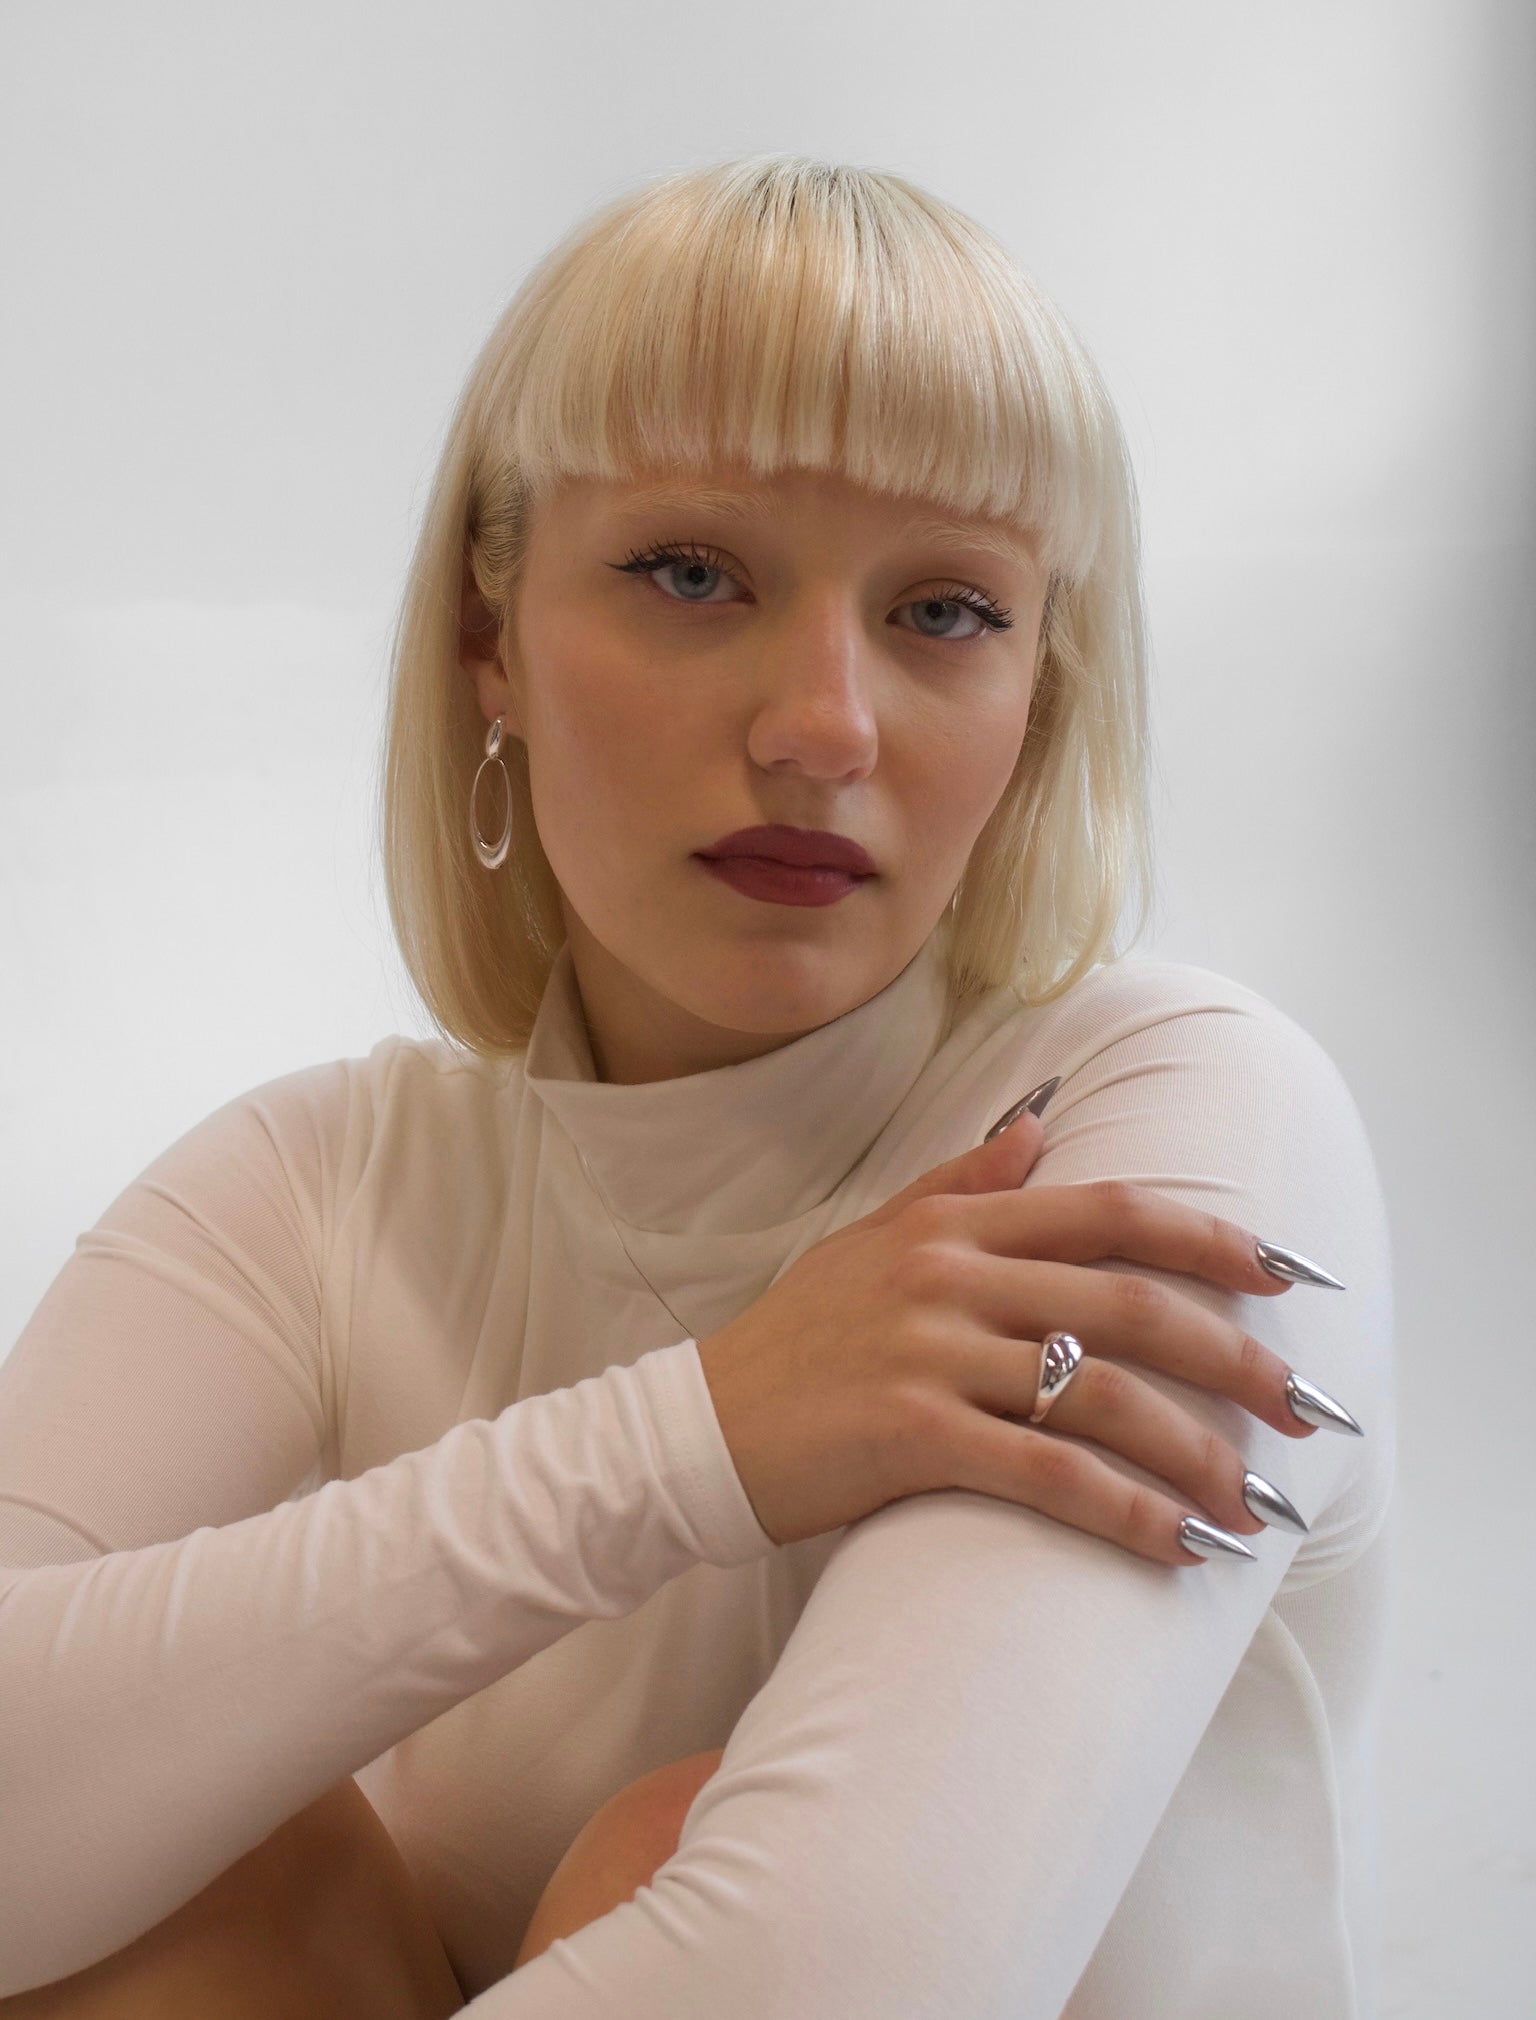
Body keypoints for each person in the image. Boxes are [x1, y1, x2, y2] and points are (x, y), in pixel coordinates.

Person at [0, 155, 1394, 2017]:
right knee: (184, 1859)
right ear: (490, 641)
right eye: (690, 573)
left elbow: (828, 1974)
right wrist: (698, 1440)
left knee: (668, 1847)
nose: (822, 725)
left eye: (946, 613)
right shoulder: (319, 1184)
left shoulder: (1177, 1115)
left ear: (1039, 700)